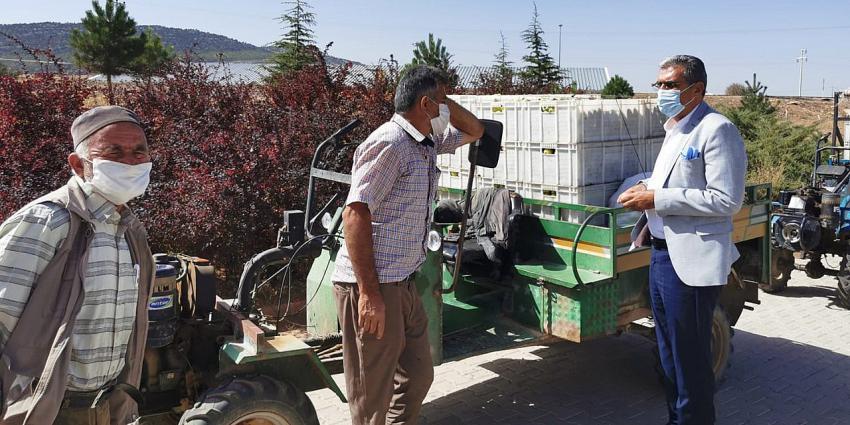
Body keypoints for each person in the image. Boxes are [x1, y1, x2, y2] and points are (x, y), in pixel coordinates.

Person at [331, 65, 484, 424]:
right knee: (371, 399)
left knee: (418, 375)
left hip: (404, 283)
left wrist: (444, 100)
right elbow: (355, 214)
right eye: (441, 102)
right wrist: (369, 294)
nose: (447, 109)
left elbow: (475, 130)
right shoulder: (390, 142)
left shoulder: (425, 142)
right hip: (372, 287)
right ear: (425, 104)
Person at [0, 106, 155, 424]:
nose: (130, 161)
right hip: (47, 411)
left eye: (139, 151)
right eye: (114, 152)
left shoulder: (128, 231)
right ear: (78, 164)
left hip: (105, 408)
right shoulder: (50, 221)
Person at [617, 55, 747, 425]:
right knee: (670, 358)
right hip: (660, 256)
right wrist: (647, 189)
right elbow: (673, 184)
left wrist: (656, 199)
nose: (661, 92)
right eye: (659, 84)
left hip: (690, 263)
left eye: (670, 85)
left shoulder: (717, 129)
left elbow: (726, 199)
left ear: (697, 89)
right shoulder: (675, 129)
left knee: (690, 364)